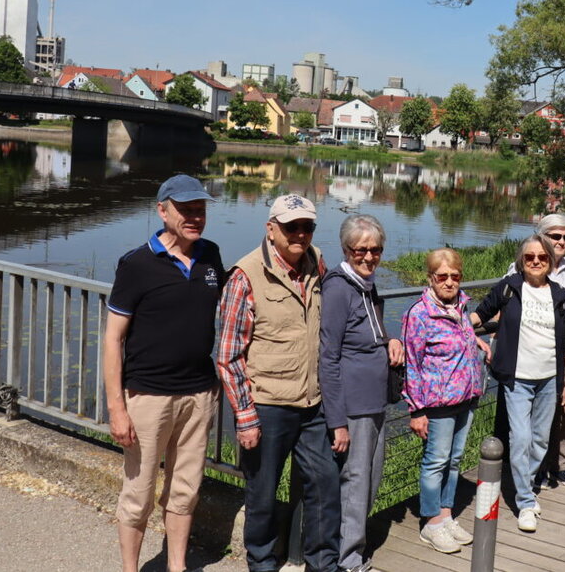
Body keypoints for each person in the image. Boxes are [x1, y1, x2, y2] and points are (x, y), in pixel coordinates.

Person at [102, 174, 224, 572]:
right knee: (138, 494)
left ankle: (177, 566)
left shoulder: (210, 256)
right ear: (162, 210)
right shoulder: (137, 264)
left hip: (199, 394)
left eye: (200, 209)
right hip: (148, 396)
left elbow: (236, 298)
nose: (195, 217)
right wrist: (117, 409)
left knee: (185, 491)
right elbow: (113, 339)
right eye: (185, 209)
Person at [217, 194, 341, 572]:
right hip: (267, 405)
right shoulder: (245, 276)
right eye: (291, 227)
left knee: (325, 486)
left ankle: (323, 564)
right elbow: (228, 355)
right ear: (271, 229)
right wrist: (245, 417)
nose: (300, 234)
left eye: (307, 226)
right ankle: (262, 564)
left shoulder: (317, 263)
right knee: (263, 496)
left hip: (313, 402)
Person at [472, 235, 565, 533]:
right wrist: (455, 325)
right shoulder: (509, 287)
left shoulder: (559, 294)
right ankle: (526, 503)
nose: (536, 262)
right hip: (517, 378)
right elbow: (480, 314)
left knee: (540, 439)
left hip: (550, 378)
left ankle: (526, 486)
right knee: (520, 438)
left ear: (550, 261)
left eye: (542, 257)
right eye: (530, 257)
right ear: (522, 260)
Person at [320, 215, 405, 572]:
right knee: (355, 482)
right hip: (353, 406)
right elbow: (328, 357)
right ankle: (349, 559)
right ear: (346, 249)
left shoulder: (366, 286)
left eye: (376, 250)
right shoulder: (339, 289)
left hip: (374, 401)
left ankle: (354, 548)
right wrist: (337, 421)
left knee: (371, 477)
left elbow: (367, 333)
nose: (369, 257)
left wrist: (391, 340)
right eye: (361, 250)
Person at [403, 248, 488, 555]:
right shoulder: (419, 314)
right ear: (430, 278)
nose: (449, 282)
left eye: (455, 276)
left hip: (466, 397)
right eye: (442, 276)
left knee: (454, 460)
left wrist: (476, 340)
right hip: (437, 404)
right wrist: (417, 410)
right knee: (436, 461)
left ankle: (446, 514)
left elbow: (460, 338)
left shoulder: (461, 306)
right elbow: (412, 364)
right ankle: (431, 522)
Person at [531, 213, 565, 492]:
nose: (562, 241)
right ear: (542, 236)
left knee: (563, 412)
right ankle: (535, 469)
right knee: (535, 415)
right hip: (533, 355)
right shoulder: (525, 264)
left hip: (563, 354)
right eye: (556, 236)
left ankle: (561, 465)